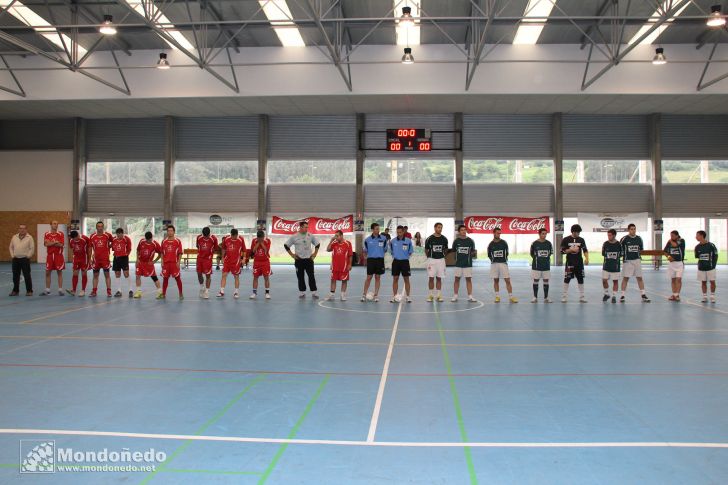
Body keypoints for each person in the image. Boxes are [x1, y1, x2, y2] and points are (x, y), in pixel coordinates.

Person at [284, 221, 320, 299]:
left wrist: (315, 254)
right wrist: (292, 255)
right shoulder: (294, 236)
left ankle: (314, 292)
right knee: (300, 277)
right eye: (305, 227)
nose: (307, 229)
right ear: (300, 227)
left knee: (311, 276)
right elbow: (286, 245)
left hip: (309, 260)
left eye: (307, 227)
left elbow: (317, 244)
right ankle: (302, 292)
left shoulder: (310, 235)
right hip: (299, 260)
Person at [620, 223, 650, 303]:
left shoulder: (639, 238)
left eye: (634, 229)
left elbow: (641, 249)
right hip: (627, 261)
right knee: (626, 278)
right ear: (628, 230)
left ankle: (643, 295)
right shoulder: (624, 239)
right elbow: (620, 250)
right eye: (631, 229)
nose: (633, 230)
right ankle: (622, 296)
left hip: (637, 260)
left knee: (639, 278)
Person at [487, 227, 517, 303]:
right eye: (497, 233)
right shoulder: (490, 244)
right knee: (496, 280)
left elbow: (507, 253)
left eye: (500, 233)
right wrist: (493, 260)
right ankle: (497, 297)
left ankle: (511, 297)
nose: (499, 234)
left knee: (507, 280)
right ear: (494, 233)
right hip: (494, 264)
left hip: (503, 263)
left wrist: (503, 259)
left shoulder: (504, 242)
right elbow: (489, 255)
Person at [561, 224, 589, 303]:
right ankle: (564, 296)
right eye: (577, 232)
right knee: (567, 279)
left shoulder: (581, 240)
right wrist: (571, 250)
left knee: (580, 279)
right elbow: (562, 251)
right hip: (570, 262)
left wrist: (587, 258)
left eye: (579, 232)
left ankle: (582, 297)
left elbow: (585, 250)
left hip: (579, 263)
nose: (578, 234)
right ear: (573, 231)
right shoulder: (566, 239)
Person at [217, 228, 246, 299]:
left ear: (237, 234)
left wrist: (244, 258)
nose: (234, 237)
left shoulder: (240, 239)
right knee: (224, 275)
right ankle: (221, 291)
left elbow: (244, 250)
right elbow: (223, 248)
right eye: (233, 236)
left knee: (236, 276)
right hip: (227, 261)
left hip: (236, 261)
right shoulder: (226, 239)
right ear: (231, 235)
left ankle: (236, 292)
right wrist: (223, 258)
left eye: (235, 236)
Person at [362, 223, 387, 302]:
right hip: (371, 260)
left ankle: (376, 295)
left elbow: (385, 249)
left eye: (378, 228)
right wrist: (366, 258)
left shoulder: (383, 238)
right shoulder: (367, 240)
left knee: (377, 277)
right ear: (372, 230)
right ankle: (364, 294)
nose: (378, 230)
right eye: (376, 229)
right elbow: (364, 251)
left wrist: (379, 253)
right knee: (369, 278)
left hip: (380, 260)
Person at [451, 224, 477, 302]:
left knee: (468, 280)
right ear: (459, 232)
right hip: (458, 264)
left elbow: (473, 253)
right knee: (456, 279)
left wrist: (472, 255)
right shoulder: (456, 241)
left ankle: (470, 296)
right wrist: (456, 260)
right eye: (462, 230)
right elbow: (453, 252)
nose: (464, 231)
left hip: (468, 264)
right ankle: (455, 296)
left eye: (465, 230)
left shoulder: (470, 241)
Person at [326, 230, 353, 301]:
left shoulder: (348, 243)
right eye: (335, 236)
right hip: (335, 266)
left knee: (344, 280)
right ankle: (332, 295)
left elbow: (350, 255)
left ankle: (342, 295)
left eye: (337, 236)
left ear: (341, 236)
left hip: (344, 266)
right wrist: (331, 240)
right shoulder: (334, 243)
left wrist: (350, 264)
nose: (336, 237)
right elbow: (328, 249)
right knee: (333, 280)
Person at [133, 231, 162, 299]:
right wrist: (137, 259)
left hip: (149, 263)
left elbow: (160, 254)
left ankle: (160, 292)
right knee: (137, 276)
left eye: (150, 239)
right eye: (147, 240)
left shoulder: (155, 244)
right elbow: (138, 250)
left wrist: (154, 261)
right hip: (140, 262)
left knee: (154, 277)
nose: (149, 241)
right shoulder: (141, 241)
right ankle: (138, 292)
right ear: (145, 238)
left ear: (151, 238)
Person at [159, 225, 184, 300]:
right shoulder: (164, 241)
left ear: (174, 232)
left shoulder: (177, 241)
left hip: (174, 263)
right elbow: (162, 253)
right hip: (166, 264)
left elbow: (180, 253)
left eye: (171, 231)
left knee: (178, 278)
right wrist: (162, 261)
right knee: (165, 279)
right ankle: (163, 294)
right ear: (167, 232)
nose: (170, 232)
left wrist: (178, 262)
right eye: (168, 231)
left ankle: (180, 293)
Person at [424, 223, 448, 302]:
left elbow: (446, 249)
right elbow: (426, 250)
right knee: (431, 278)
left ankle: (439, 295)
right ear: (435, 228)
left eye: (441, 227)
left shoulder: (444, 239)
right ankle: (430, 295)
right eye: (438, 227)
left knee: (439, 278)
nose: (440, 229)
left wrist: (442, 255)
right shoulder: (429, 238)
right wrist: (429, 257)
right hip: (431, 260)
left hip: (441, 260)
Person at [89, 221, 113, 297]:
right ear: (96, 227)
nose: (100, 228)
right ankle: (94, 291)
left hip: (105, 259)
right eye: (98, 226)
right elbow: (90, 247)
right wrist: (90, 258)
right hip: (96, 260)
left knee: (107, 275)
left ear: (103, 227)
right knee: (95, 276)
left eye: (101, 226)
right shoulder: (92, 236)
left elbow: (113, 242)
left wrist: (108, 247)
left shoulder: (108, 235)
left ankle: (109, 291)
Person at [389, 225, 413, 303]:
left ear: (403, 232)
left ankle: (408, 296)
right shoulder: (392, 241)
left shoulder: (408, 241)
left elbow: (410, 252)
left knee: (406, 279)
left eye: (400, 232)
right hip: (396, 262)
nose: (399, 234)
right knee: (395, 279)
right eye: (397, 232)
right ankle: (395, 296)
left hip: (405, 262)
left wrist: (405, 257)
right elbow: (391, 252)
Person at [9, 224, 34, 296]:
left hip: (25, 259)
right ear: (18, 229)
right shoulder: (14, 237)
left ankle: (29, 291)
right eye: (20, 228)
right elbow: (10, 247)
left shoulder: (29, 237)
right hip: (15, 259)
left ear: (26, 230)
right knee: (15, 276)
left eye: (24, 228)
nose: (22, 230)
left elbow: (32, 248)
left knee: (27, 275)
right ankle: (15, 291)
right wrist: (12, 256)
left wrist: (28, 256)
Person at [42, 220, 65, 296]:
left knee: (59, 272)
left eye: (57, 224)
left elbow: (61, 245)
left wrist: (51, 243)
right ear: (51, 225)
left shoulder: (61, 234)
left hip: (58, 255)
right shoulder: (47, 234)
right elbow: (46, 244)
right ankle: (47, 290)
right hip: (50, 256)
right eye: (54, 224)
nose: (56, 225)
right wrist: (55, 242)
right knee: (47, 272)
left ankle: (60, 290)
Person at [529, 228, 553, 303]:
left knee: (546, 281)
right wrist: (537, 259)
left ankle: (546, 298)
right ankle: (535, 297)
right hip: (536, 266)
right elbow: (531, 253)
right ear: (539, 234)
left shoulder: (549, 243)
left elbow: (550, 253)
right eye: (543, 233)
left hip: (546, 266)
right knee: (536, 280)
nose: (544, 235)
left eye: (545, 234)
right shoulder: (534, 243)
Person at [694, 230, 718, 303]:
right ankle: (704, 296)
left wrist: (713, 265)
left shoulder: (711, 245)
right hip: (701, 267)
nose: (696, 237)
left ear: (701, 236)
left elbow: (716, 255)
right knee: (703, 282)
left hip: (710, 267)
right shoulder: (697, 247)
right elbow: (697, 256)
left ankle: (712, 296)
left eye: (697, 235)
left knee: (712, 282)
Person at [196, 227, 218, 300]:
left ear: (209, 234)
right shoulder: (199, 237)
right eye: (204, 236)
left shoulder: (213, 238)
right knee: (199, 274)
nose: (206, 237)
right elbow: (197, 246)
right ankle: (202, 287)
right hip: (199, 259)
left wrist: (210, 254)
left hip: (208, 260)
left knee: (208, 275)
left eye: (207, 236)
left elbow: (216, 248)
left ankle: (207, 291)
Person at [601, 229, 622, 303]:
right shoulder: (605, 244)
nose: (608, 236)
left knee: (615, 281)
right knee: (604, 280)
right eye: (608, 235)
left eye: (610, 235)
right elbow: (603, 253)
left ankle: (614, 296)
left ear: (614, 235)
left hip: (615, 266)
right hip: (606, 266)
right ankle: (606, 294)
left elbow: (621, 254)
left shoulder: (619, 244)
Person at [664, 230, 686, 302]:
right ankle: (674, 294)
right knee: (673, 279)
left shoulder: (681, 240)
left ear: (677, 235)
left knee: (678, 279)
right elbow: (665, 251)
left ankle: (677, 295)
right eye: (670, 236)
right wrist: (668, 257)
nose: (671, 237)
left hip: (679, 263)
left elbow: (675, 245)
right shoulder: (669, 242)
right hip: (672, 264)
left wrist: (670, 240)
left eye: (673, 236)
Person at [67, 230, 90, 297]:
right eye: (74, 238)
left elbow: (89, 248)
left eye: (77, 236)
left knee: (84, 274)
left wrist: (89, 259)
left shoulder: (85, 238)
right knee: (75, 274)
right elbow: (71, 247)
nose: (77, 238)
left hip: (84, 259)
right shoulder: (71, 240)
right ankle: (73, 290)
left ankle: (83, 290)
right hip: (76, 259)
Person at [111, 227, 133, 298]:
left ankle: (130, 290)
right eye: (117, 235)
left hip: (124, 258)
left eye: (120, 234)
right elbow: (113, 248)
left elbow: (129, 249)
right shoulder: (114, 239)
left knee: (126, 273)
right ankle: (119, 290)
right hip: (116, 258)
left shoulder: (127, 239)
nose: (118, 236)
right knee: (117, 274)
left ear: (122, 234)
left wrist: (126, 255)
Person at [250, 230, 272, 299]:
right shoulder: (254, 241)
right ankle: (254, 293)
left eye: (261, 238)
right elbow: (253, 251)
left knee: (266, 277)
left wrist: (261, 243)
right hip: (256, 262)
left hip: (265, 262)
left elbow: (266, 250)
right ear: (257, 237)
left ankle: (267, 293)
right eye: (259, 238)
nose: (260, 239)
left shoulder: (268, 241)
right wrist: (258, 243)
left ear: (263, 237)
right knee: (255, 277)